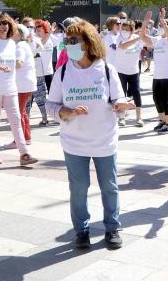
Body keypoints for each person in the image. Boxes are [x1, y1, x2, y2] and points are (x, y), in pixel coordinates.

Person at [46, 20, 135, 249]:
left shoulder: (106, 69)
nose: (69, 45)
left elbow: (118, 98)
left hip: (104, 140)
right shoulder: (63, 72)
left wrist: (122, 105)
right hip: (74, 143)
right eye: (67, 41)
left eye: (74, 41)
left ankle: (112, 228)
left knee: (109, 186)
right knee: (78, 188)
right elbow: (51, 106)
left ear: (89, 42)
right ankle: (82, 231)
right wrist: (69, 112)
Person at [0, 12, 37, 166]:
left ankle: (24, 154)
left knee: (16, 120)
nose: (1, 26)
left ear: (10, 25)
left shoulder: (12, 43)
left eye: (4, 23)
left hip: (10, 88)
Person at [143, 9, 168, 133]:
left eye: (163, 26)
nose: (161, 26)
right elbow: (142, 36)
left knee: (164, 99)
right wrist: (145, 23)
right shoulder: (158, 39)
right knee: (156, 98)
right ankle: (163, 121)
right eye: (160, 25)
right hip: (157, 75)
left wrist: (163, 21)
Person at [113, 16, 146, 127]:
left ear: (132, 30)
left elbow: (148, 45)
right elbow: (122, 46)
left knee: (136, 93)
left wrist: (143, 35)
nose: (124, 31)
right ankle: (122, 117)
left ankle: (139, 117)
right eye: (123, 29)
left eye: (127, 29)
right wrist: (138, 38)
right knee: (122, 94)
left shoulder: (138, 37)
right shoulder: (119, 37)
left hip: (134, 71)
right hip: (121, 71)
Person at [15, 24, 38, 145]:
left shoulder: (19, 46)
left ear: (19, 34)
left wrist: (2, 67)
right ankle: (26, 137)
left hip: (22, 84)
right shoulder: (22, 45)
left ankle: (20, 140)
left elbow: (19, 63)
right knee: (22, 112)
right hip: (24, 83)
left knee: (18, 113)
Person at [31, 20, 56, 125]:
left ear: (45, 30)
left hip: (49, 71)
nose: (37, 31)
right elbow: (42, 43)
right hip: (39, 72)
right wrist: (49, 33)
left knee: (53, 95)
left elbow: (61, 44)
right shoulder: (35, 39)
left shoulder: (52, 38)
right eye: (36, 29)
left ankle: (54, 115)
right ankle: (42, 116)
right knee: (38, 96)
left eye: (39, 30)